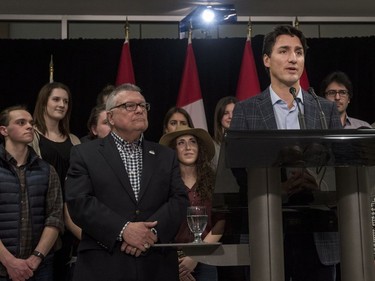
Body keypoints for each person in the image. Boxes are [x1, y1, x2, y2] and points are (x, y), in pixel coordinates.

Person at [230, 25, 342, 281]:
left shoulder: (325, 110)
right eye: (284, 51)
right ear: (267, 60)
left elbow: (340, 166)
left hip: (317, 231)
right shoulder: (247, 111)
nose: (293, 59)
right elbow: (236, 171)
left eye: (299, 52)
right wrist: (276, 189)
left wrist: (320, 184)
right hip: (266, 227)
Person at [64, 83, 189, 281]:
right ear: (111, 117)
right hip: (104, 265)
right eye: (130, 106)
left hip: (156, 265)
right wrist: (124, 230)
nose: (139, 110)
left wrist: (151, 233)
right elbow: (79, 202)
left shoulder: (165, 155)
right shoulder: (84, 153)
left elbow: (179, 200)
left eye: (142, 105)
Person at [0, 105, 64, 281]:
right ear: (4, 130)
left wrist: (36, 258)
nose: (29, 126)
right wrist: (9, 262)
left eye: (31, 122)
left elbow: (55, 217)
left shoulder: (47, 170)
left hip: (39, 267)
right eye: (21, 122)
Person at [160, 125, 225, 281]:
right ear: (173, 150)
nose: (188, 147)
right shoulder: (163, 183)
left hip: (207, 258)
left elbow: (221, 222)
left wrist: (196, 255)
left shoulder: (214, 181)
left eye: (192, 141)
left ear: (199, 148)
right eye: (181, 143)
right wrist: (180, 262)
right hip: (173, 259)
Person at [30, 82, 81, 281]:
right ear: (44, 102)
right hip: (42, 220)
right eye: (56, 99)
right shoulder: (30, 136)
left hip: (71, 219)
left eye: (66, 101)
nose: (62, 104)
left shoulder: (74, 140)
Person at [212, 96, 238, 168]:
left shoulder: (247, 143)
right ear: (219, 116)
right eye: (226, 113)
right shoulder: (211, 146)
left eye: (234, 112)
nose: (231, 116)